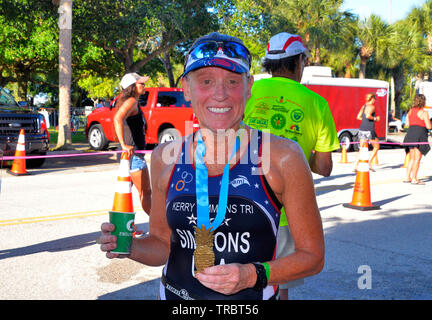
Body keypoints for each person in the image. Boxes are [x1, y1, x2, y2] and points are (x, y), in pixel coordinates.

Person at [99, 32, 324, 300]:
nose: (220, 95)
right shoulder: (164, 157)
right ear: (186, 87)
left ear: (249, 86)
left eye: (232, 81)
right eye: (206, 81)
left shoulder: (283, 157)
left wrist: (253, 275)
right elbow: (161, 244)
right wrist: (130, 246)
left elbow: (312, 256)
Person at [243, 32, 339, 300]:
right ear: (298, 62)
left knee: (234, 275)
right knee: (277, 283)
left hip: (238, 200)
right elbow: (324, 166)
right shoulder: (317, 103)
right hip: (284, 212)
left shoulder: (248, 90)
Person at [113, 72, 151, 214]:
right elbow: (117, 119)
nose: (144, 85)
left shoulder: (130, 101)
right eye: (141, 83)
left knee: (125, 193)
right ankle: (158, 230)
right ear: (132, 87)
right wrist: (124, 144)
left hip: (129, 156)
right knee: (146, 193)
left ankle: (127, 228)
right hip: (133, 156)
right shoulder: (131, 102)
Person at [403, 94, 431, 184]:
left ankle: (407, 177)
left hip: (410, 134)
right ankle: (414, 178)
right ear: (423, 102)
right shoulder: (424, 112)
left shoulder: (410, 111)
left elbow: (406, 124)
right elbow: (428, 126)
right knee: (417, 158)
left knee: (412, 158)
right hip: (420, 135)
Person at [354, 93, 380, 171]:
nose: (375, 101)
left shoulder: (363, 106)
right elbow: (368, 115)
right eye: (375, 99)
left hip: (362, 129)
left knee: (362, 148)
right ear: (372, 99)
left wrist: (365, 120)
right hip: (369, 130)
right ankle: (369, 163)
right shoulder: (372, 106)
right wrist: (375, 119)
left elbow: (358, 117)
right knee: (376, 147)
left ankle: (355, 165)